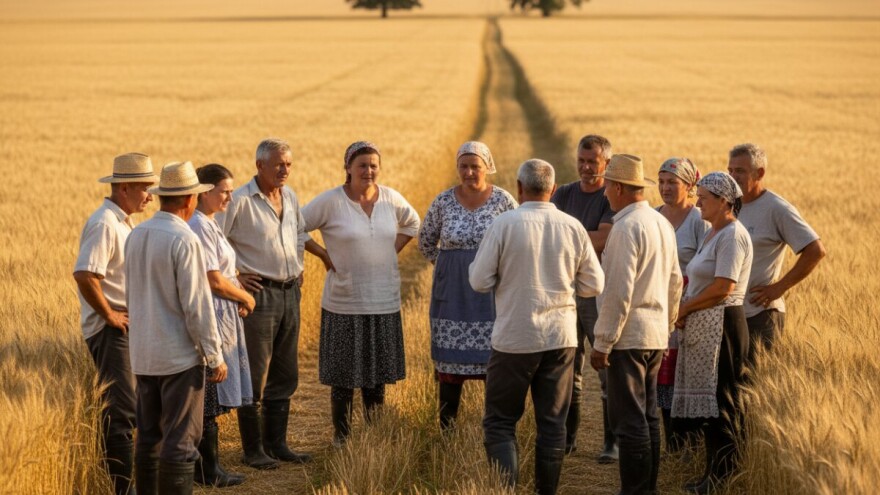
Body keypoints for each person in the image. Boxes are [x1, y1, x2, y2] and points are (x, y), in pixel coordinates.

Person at [470, 159, 604, 495]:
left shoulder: (504, 224)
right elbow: (594, 286)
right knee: (552, 425)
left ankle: (506, 491)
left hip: (514, 337)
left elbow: (478, 280)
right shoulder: (572, 226)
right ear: (554, 190)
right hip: (560, 338)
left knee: (500, 423)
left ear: (518, 187)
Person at [303, 141, 420, 446]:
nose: (368, 171)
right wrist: (323, 255)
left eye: (373, 165)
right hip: (344, 300)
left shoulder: (391, 198)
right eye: (362, 166)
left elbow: (413, 222)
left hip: (383, 299)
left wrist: (391, 250)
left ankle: (374, 434)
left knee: (376, 373)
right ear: (348, 169)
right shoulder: (331, 202)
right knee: (343, 375)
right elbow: (295, 226)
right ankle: (341, 437)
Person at [126, 161, 227, 495]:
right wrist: (214, 355)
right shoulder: (185, 239)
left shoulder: (136, 234)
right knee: (181, 441)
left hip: (143, 355)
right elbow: (197, 306)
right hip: (179, 358)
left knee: (149, 437)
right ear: (188, 200)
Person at [590, 154, 683, 495]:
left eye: (607, 187)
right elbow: (675, 280)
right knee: (649, 417)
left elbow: (617, 291)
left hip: (628, 337)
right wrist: (668, 322)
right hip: (656, 333)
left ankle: (634, 490)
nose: (604, 195)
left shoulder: (626, 228)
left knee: (629, 423)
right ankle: (650, 489)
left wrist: (603, 342)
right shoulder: (660, 222)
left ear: (617, 187)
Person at [216, 138, 310, 467]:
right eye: (278, 165)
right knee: (256, 373)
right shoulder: (239, 200)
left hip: (289, 292)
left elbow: (299, 233)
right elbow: (215, 240)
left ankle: (278, 444)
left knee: (285, 372)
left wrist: (299, 265)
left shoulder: (291, 196)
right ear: (260, 166)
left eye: (288, 164)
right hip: (258, 296)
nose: (285, 170)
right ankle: (253, 451)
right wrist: (234, 278)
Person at [73, 152, 158, 495]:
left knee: (130, 409)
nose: (150, 195)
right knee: (121, 414)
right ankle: (123, 489)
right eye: (145, 188)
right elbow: (84, 273)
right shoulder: (105, 223)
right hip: (112, 331)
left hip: (125, 327)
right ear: (125, 187)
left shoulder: (122, 220)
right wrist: (109, 315)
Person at [417, 141, 517, 431]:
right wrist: (449, 267)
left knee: (494, 362)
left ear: (487, 167)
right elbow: (425, 241)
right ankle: (447, 429)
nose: (469, 172)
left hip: (491, 294)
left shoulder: (503, 201)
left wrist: (496, 270)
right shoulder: (443, 201)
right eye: (464, 166)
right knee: (450, 365)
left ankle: (494, 428)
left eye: (476, 166)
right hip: (453, 292)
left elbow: (518, 238)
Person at [671, 172, 753, 494]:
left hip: (724, 325)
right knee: (711, 404)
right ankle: (712, 475)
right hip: (707, 326)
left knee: (724, 403)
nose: (697, 202)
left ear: (723, 201)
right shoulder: (712, 232)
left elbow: (723, 287)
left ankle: (723, 478)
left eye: (703, 197)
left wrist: (686, 309)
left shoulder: (732, 235)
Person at [187, 164, 256, 487]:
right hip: (212, 315)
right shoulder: (199, 226)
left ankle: (209, 467)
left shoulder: (210, 223)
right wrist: (245, 297)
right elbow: (213, 280)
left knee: (213, 394)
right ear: (204, 192)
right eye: (224, 191)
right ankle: (207, 471)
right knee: (210, 393)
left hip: (223, 313)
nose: (230, 196)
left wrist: (236, 295)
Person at [550, 134, 617, 459]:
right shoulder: (563, 193)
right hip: (564, 291)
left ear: (606, 163)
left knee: (605, 368)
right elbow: (549, 233)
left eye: (593, 161)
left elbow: (602, 241)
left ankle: (612, 442)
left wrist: (569, 234)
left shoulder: (609, 197)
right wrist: (582, 236)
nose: (586, 167)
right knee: (568, 368)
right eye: (582, 160)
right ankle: (568, 439)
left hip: (596, 293)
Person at [727, 143, 825, 362]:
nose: (733, 177)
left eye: (740, 171)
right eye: (730, 170)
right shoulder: (727, 204)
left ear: (759, 173)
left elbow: (815, 250)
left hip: (759, 316)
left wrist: (779, 288)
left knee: (753, 386)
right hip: (727, 315)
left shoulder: (777, 209)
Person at [655, 157, 710, 453]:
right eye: (661, 181)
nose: (664, 187)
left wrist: (687, 307)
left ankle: (690, 445)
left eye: (672, 182)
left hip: (690, 308)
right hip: (659, 305)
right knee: (662, 380)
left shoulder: (700, 221)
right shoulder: (652, 216)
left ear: (689, 186)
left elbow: (705, 265)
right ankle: (671, 446)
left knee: (685, 377)